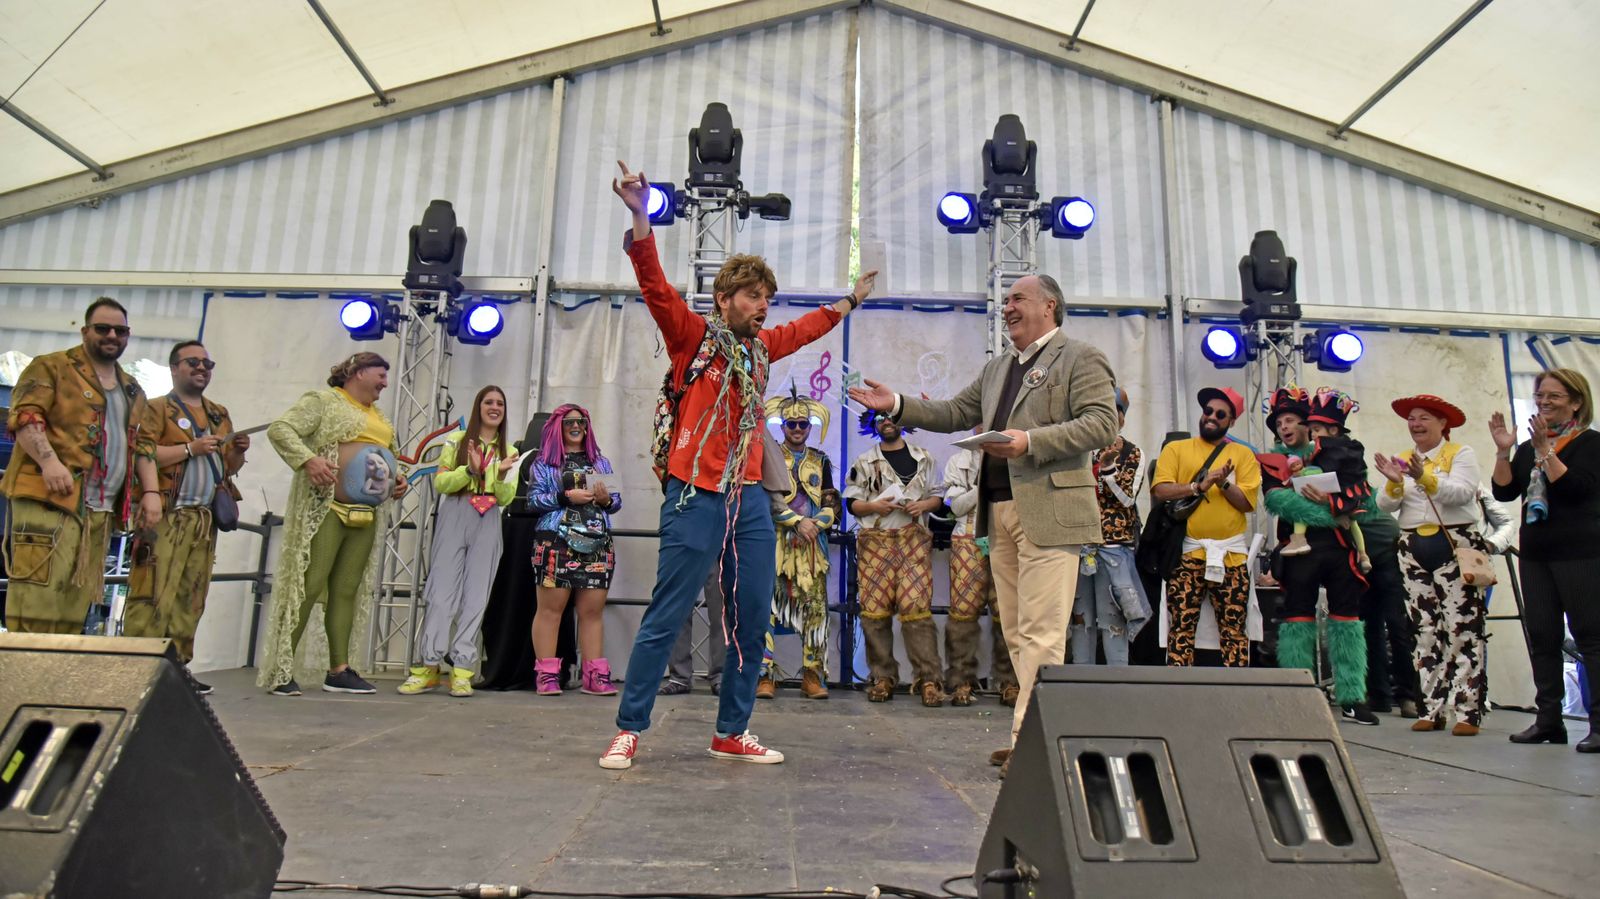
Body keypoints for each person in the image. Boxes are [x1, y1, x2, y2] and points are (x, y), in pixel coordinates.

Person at [598, 161, 874, 770]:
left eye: (768, 298)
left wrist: (850, 300)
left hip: (750, 497)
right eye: (754, 296)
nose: (764, 306)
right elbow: (655, 285)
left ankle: (731, 731)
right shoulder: (693, 337)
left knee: (753, 617)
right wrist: (641, 215)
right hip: (695, 491)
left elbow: (805, 329)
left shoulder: (762, 348)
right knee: (668, 612)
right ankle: (629, 728)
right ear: (725, 299)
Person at [850, 273, 1117, 777]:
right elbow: (954, 412)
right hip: (999, 512)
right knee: (1017, 633)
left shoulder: (1080, 357)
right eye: (1007, 300)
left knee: (1041, 632)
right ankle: (1033, 736)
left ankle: (1027, 744)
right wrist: (899, 404)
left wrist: (1029, 441)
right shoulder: (999, 368)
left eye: (1018, 298)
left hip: (1051, 512)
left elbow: (1102, 423)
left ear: (1050, 306)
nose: (1008, 307)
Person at [2, 297, 162, 634]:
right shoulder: (51, 366)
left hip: (99, 512)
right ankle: (20, 681)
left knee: (75, 604)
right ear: (85, 330)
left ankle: (56, 682)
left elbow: (143, 444)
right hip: (49, 499)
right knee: (37, 597)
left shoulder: (133, 388)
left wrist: (150, 491)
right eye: (103, 328)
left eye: (120, 330)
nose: (111, 335)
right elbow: (26, 417)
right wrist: (49, 462)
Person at [258, 352, 408, 696]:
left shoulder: (381, 418)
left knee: (346, 591)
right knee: (308, 586)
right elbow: (281, 429)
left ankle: (339, 669)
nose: (385, 383)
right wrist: (308, 460)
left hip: (365, 514)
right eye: (380, 375)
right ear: (356, 372)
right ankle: (282, 668)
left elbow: (392, 460)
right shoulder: (324, 401)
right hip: (327, 508)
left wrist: (399, 480)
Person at [123, 340, 248, 690]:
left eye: (208, 364)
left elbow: (228, 469)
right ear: (174, 367)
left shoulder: (218, 414)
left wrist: (236, 453)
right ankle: (136, 668)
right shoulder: (155, 408)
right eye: (193, 362)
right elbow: (140, 454)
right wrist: (190, 448)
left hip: (203, 519)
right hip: (166, 515)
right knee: (152, 592)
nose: (201, 368)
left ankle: (176, 669)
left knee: (190, 596)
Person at [1492, 369, 1600, 752]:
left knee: (1590, 637)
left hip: (1581, 552)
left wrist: (1546, 452)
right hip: (1537, 553)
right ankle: (1549, 721)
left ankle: (1598, 723)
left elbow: (1575, 488)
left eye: (1554, 396)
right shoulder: (1528, 447)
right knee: (1542, 636)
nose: (1544, 402)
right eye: (1540, 396)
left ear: (1576, 401)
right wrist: (1504, 450)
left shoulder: (1590, 444)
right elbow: (1504, 492)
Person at [1263, 387, 1378, 725]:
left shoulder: (1343, 455)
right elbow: (1279, 501)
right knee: (1296, 620)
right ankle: (1296, 695)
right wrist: (1338, 511)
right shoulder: (1275, 462)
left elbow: (1368, 504)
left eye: (1292, 421)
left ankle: (1353, 697)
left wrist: (1333, 503)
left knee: (1347, 621)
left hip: (1340, 550)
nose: (1284, 427)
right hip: (1300, 553)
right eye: (1279, 422)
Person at [1375, 394, 1488, 736]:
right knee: (1423, 630)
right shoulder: (1405, 457)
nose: (1416, 424)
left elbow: (1462, 494)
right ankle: (1431, 707)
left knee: (1461, 629)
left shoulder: (1460, 454)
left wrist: (1424, 477)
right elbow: (1384, 505)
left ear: (1443, 424)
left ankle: (1467, 712)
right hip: (1412, 548)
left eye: (1424, 418)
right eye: (1412, 418)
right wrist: (1395, 481)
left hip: (1452, 544)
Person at [398, 386, 521, 698]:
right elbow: (441, 483)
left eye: (500, 404)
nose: (494, 407)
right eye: (489, 402)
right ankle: (427, 666)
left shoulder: (510, 451)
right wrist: (470, 470)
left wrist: (499, 474)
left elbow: (506, 497)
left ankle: (463, 669)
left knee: (476, 596)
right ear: (478, 405)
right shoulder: (457, 441)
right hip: (456, 512)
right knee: (441, 593)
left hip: (489, 517)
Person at [1151, 387, 1261, 669]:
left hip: (1231, 557)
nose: (1211, 417)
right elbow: (1161, 490)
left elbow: (1247, 503)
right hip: (1188, 553)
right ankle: (1180, 695)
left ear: (1231, 421)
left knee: (1234, 631)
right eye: (1207, 411)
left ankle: (1236, 695)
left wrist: (1223, 483)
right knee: (1181, 629)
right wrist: (1198, 486)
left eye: (1220, 414)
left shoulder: (1243, 454)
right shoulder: (1177, 449)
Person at [845, 410, 945, 705]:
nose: (887, 422)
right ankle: (883, 677)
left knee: (916, 608)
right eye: (880, 419)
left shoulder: (924, 458)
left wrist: (923, 504)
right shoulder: (864, 461)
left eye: (892, 417)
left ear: (904, 422)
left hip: (913, 538)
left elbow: (938, 496)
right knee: (874, 612)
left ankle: (929, 679)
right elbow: (851, 503)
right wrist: (874, 506)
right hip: (876, 541)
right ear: (873, 426)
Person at [528, 404, 622, 697]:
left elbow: (616, 503)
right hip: (556, 541)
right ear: (558, 426)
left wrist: (606, 500)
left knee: (592, 611)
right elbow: (533, 501)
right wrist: (566, 497)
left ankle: (594, 675)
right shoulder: (544, 463)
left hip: (596, 543)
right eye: (569, 422)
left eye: (581, 421)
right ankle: (546, 675)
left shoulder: (601, 463)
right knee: (551, 610)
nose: (575, 426)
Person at [757, 388, 840, 700]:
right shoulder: (770, 455)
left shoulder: (821, 461)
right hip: (777, 544)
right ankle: (764, 676)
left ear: (809, 428)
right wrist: (795, 522)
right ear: (781, 427)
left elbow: (832, 501)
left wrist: (816, 524)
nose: (796, 429)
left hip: (811, 549)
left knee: (816, 610)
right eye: (790, 424)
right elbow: (765, 499)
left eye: (802, 424)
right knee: (766, 609)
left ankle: (812, 675)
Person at [1072, 387, 1150, 666]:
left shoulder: (1131, 453)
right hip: (1078, 546)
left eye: (1111, 411)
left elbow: (1128, 498)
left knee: (1112, 620)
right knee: (1080, 621)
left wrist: (1107, 471)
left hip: (1113, 549)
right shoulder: (1076, 449)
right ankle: (1081, 686)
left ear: (1121, 419)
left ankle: (1116, 685)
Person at [940, 441, 1019, 706]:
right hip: (967, 537)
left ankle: (1010, 682)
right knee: (963, 613)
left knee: (1007, 611)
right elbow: (954, 506)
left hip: (1006, 537)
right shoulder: (958, 461)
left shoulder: (1014, 455)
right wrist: (983, 486)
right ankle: (961, 681)